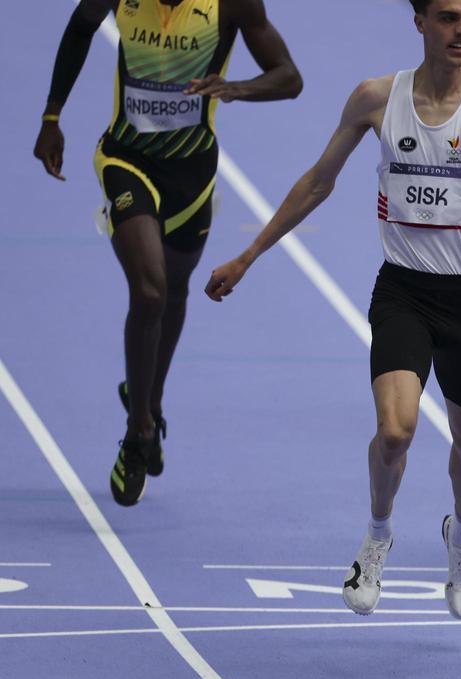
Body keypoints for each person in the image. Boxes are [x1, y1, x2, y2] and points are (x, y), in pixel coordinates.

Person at [203, 0, 461, 620]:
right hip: (403, 290)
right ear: (420, 23)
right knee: (395, 432)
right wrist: (248, 256)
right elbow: (319, 181)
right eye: (449, 18)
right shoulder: (377, 98)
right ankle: (377, 535)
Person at [33, 0, 302, 507]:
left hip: (193, 174)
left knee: (175, 290)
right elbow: (79, 28)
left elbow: (290, 78)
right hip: (125, 158)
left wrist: (237, 88)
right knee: (150, 291)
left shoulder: (232, 5)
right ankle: (137, 433)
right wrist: (52, 116)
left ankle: (150, 403)